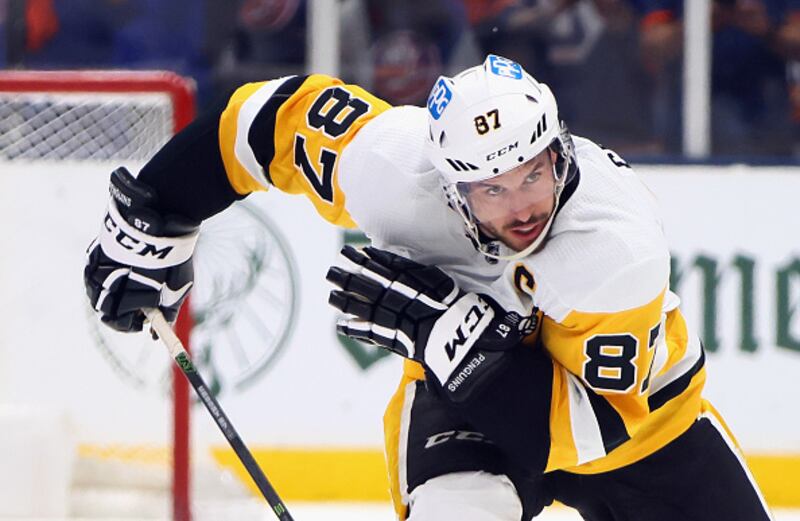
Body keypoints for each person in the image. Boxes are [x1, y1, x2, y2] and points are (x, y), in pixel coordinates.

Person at [83, 55, 773, 520]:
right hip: (467, 407)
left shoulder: (615, 245)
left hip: (641, 424)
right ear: (450, 187)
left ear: (559, 150)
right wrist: (156, 217)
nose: (521, 206)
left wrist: (452, 336)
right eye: (491, 189)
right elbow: (267, 122)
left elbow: (589, 430)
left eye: (534, 174)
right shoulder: (395, 170)